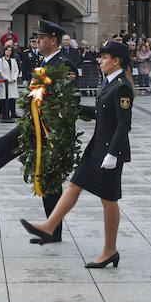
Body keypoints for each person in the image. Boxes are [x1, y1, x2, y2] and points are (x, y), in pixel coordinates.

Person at [0, 20, 86, 243]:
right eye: (36, 37)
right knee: (3, 146)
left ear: (53, 40)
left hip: (49, 129)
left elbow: (67, 97)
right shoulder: (44, 61)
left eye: (41, 37)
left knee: (49, 175)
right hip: (34, 124)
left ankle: (53, 231)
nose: (37, 41)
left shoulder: (64, 65)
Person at [21, 39, 133, 268]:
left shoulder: (122, 86)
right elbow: (101, 114)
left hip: (110, 151)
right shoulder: (110, 82)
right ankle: (50, 226)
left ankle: (110, 251)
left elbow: (123, 125)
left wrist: (112, 155)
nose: (100, 61)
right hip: (97, 147)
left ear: (116, 61)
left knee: (109, 200)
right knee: (74, 185)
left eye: (104, 57)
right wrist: (71, 109)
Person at [0, 43, 20, 121]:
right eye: (7, 50)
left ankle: (13, 113)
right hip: (5, 82)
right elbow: (0, 71)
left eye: (10, 50)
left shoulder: (14, 60)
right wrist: (7, 79)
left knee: (12, 98)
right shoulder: (1, 60)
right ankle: (5, 114)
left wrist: (14, 78)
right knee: (4, 99)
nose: (8, 52)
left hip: (12, 82)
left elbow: (16, 70)